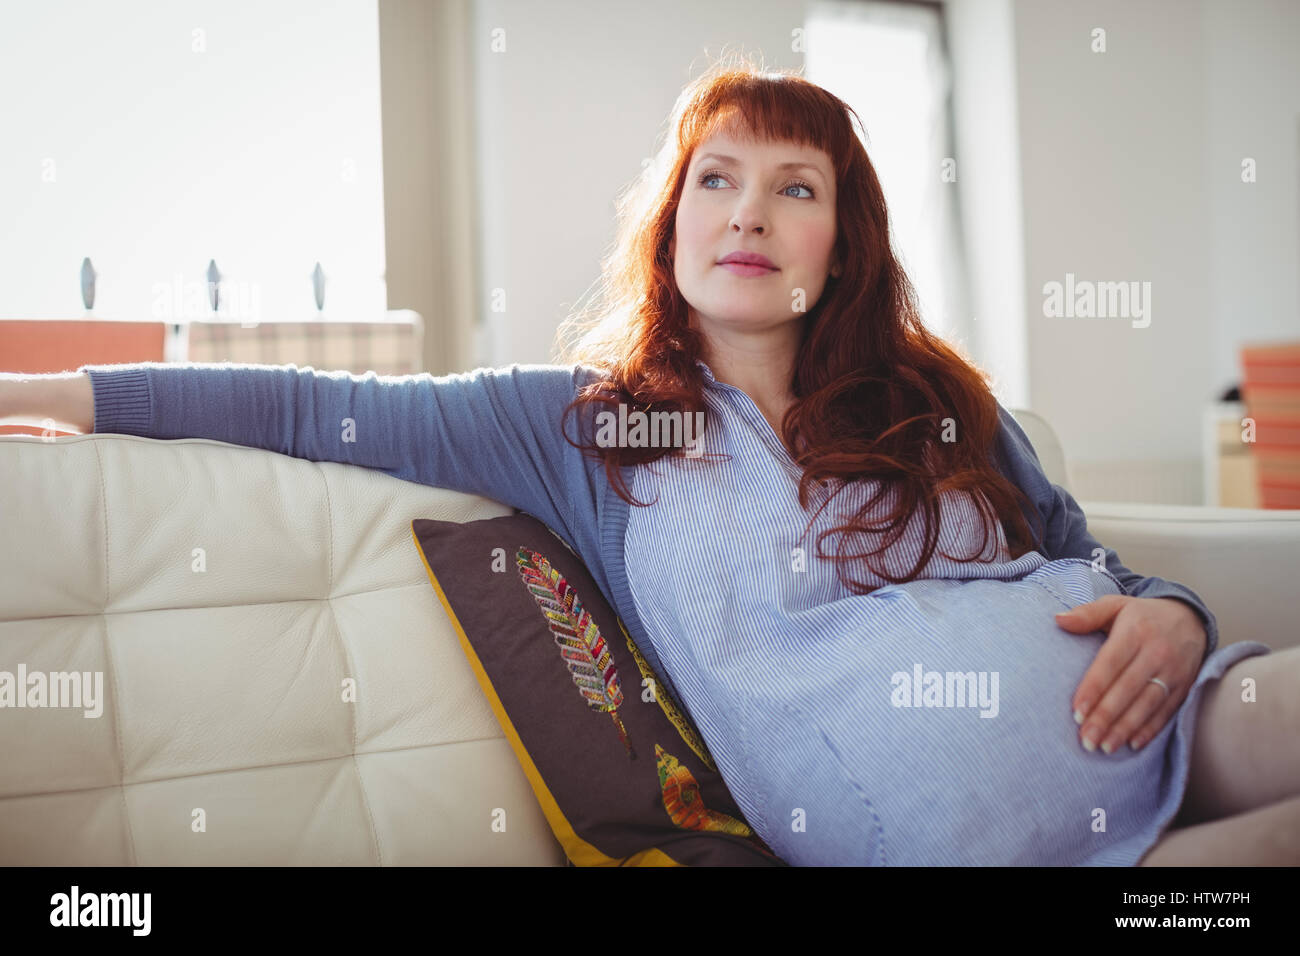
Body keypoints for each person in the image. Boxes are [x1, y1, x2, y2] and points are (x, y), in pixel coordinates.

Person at [2, 57, 1295, 866]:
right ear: (673, 223)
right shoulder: (594, 425)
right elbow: (308, 405)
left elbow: (1085, 561)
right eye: (717, 179)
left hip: (1183, 712)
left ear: (840, 247)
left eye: (797, 188)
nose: (748, 210)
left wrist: (1174, 619)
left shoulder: (936, 401)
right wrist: (49, 390)